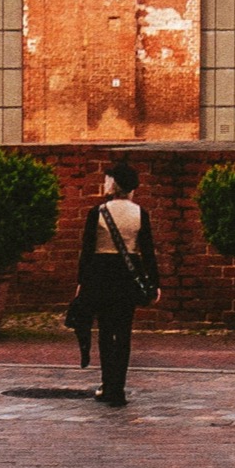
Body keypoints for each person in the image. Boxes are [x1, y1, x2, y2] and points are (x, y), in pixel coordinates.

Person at [75, 156, 157, 408]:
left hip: (100, 274)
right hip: (127, 275)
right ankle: (118, 388)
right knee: (123, 333)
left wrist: (81, 282)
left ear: (113, 184)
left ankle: (107, 384)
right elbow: (148, 252)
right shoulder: (140, 213)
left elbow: (86, 251)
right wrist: (154, 283)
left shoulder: (97, 213)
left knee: (105, 332)